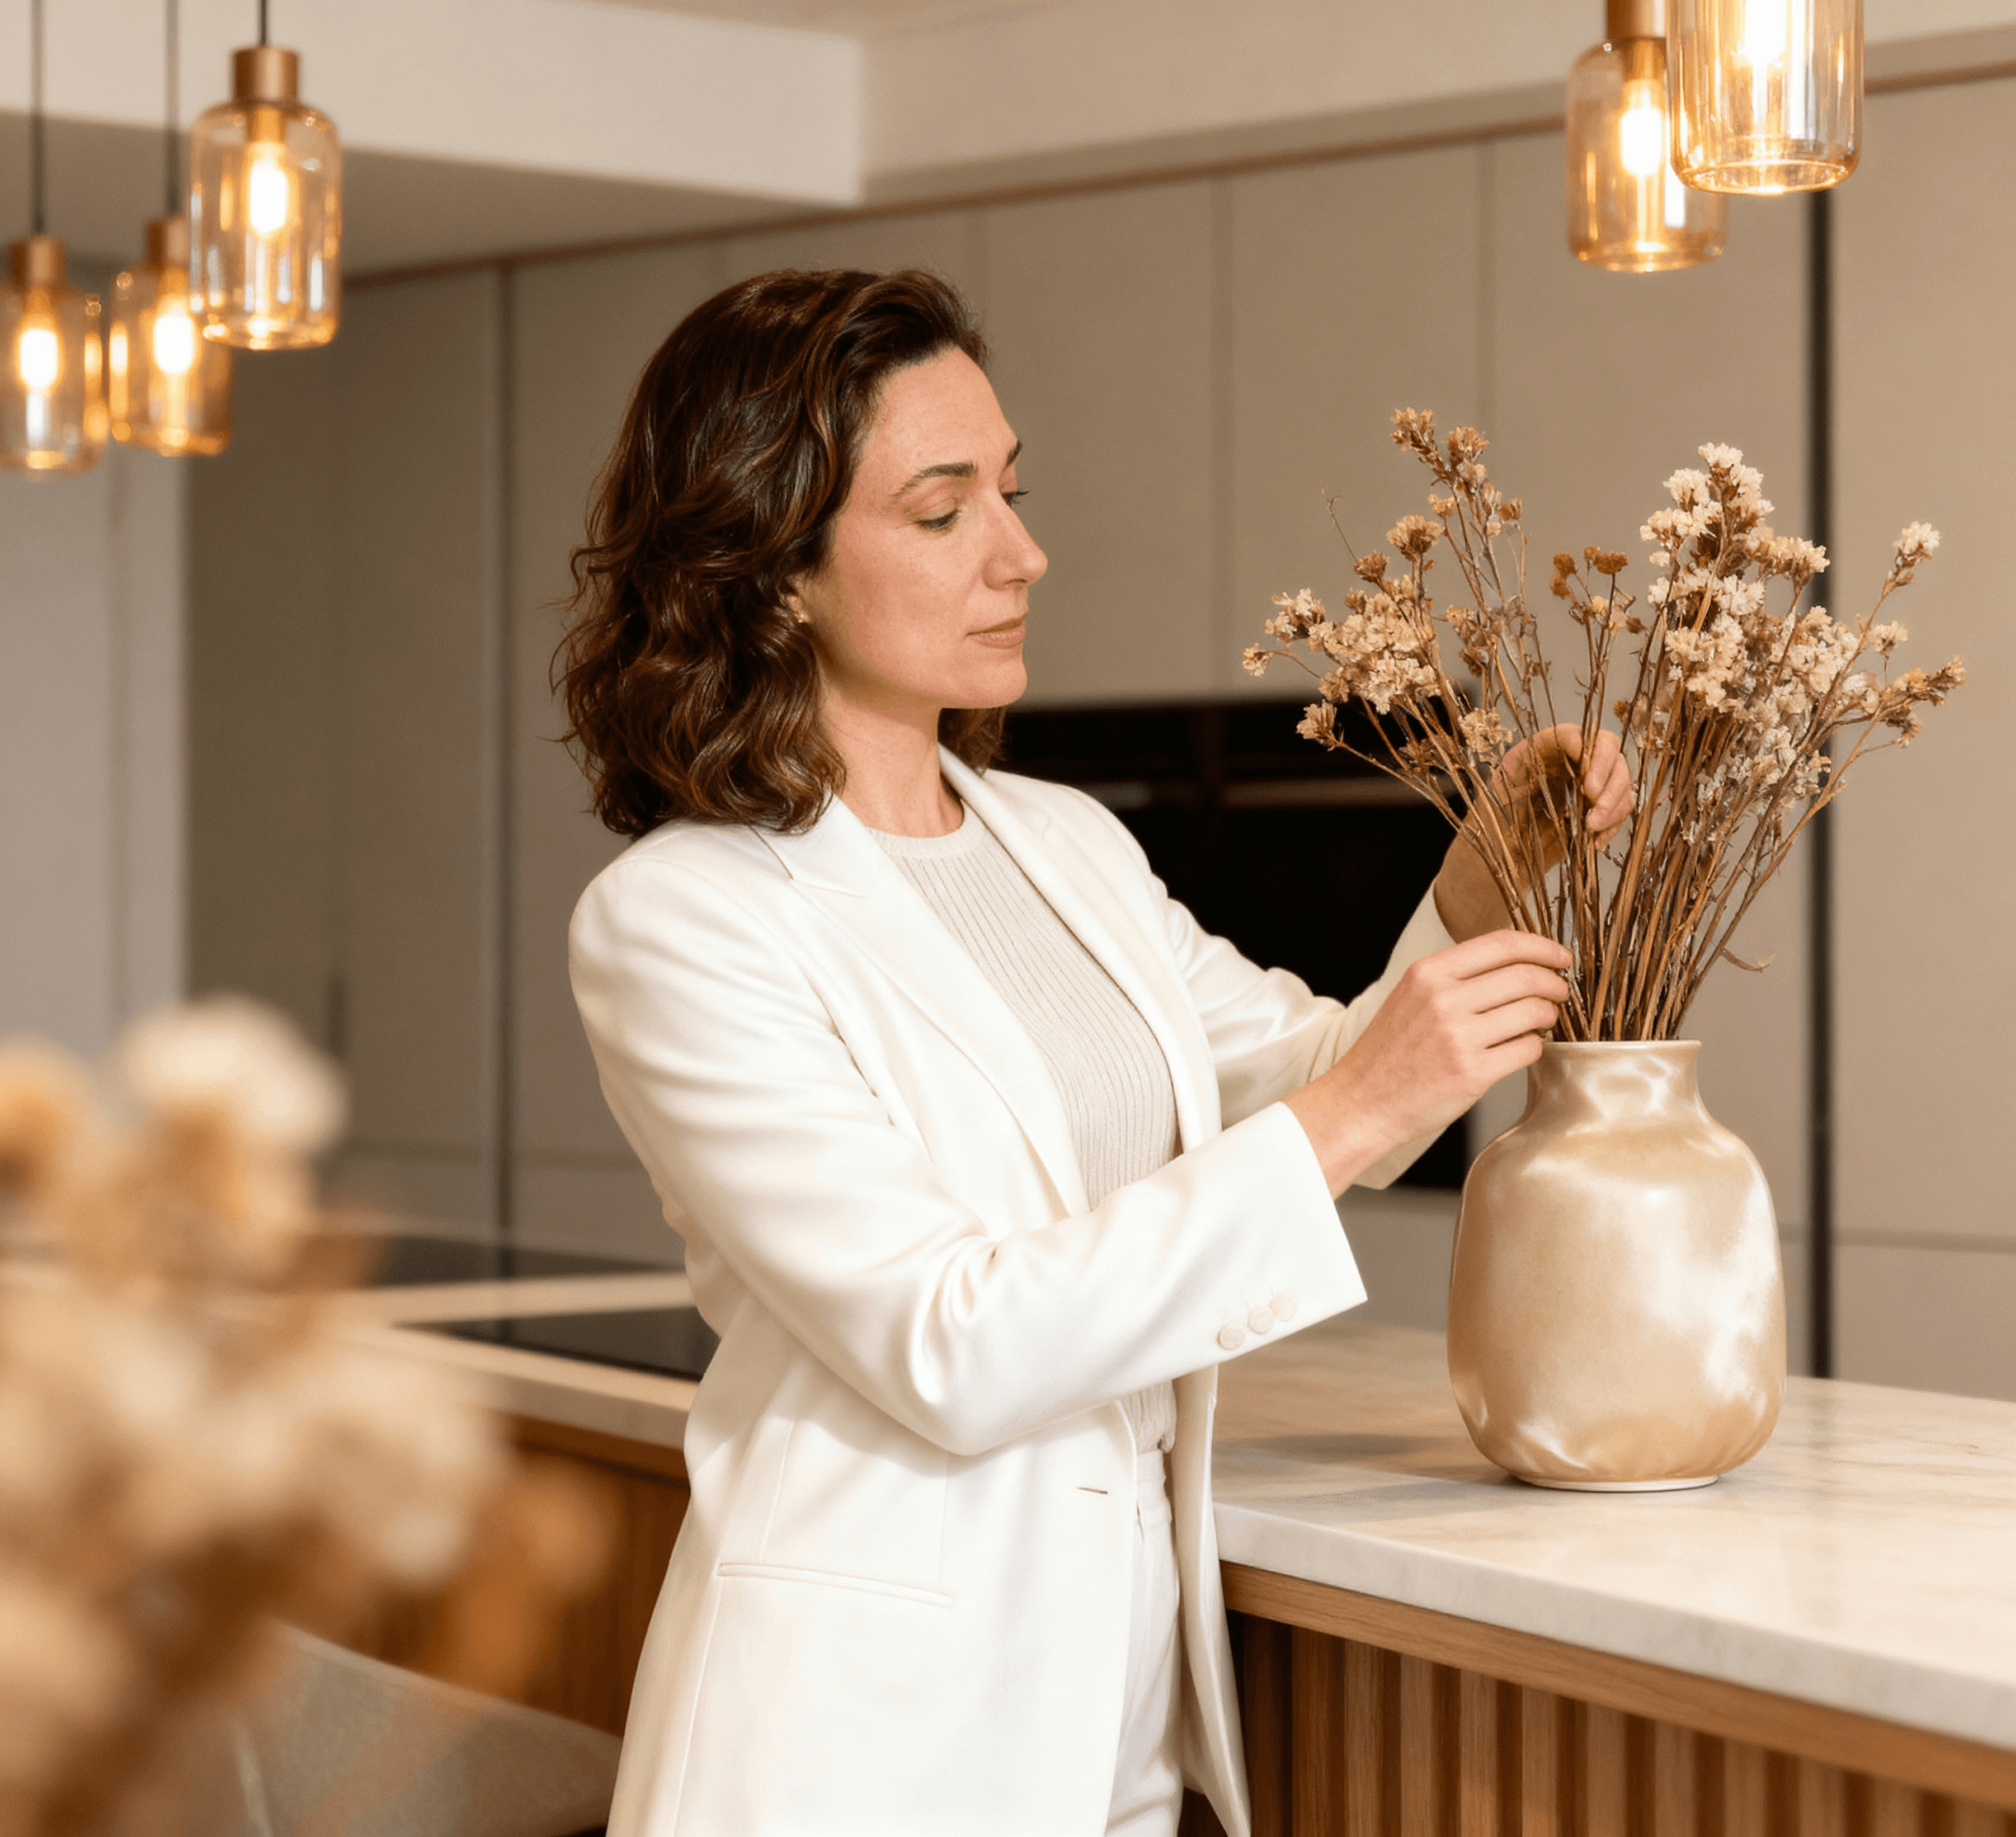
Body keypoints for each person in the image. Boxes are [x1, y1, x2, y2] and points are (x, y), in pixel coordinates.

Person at [558, 268, 1631, 1837]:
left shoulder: (1062, 843)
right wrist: (1348, 1109)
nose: (1019, 552)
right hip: (860, 1742)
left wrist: (1481, 874)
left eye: (1011, 490)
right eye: (942, 511)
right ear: (769, 569)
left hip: (1120, 1718)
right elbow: (950, 1338)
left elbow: (1323, 1084)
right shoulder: (678, 924)